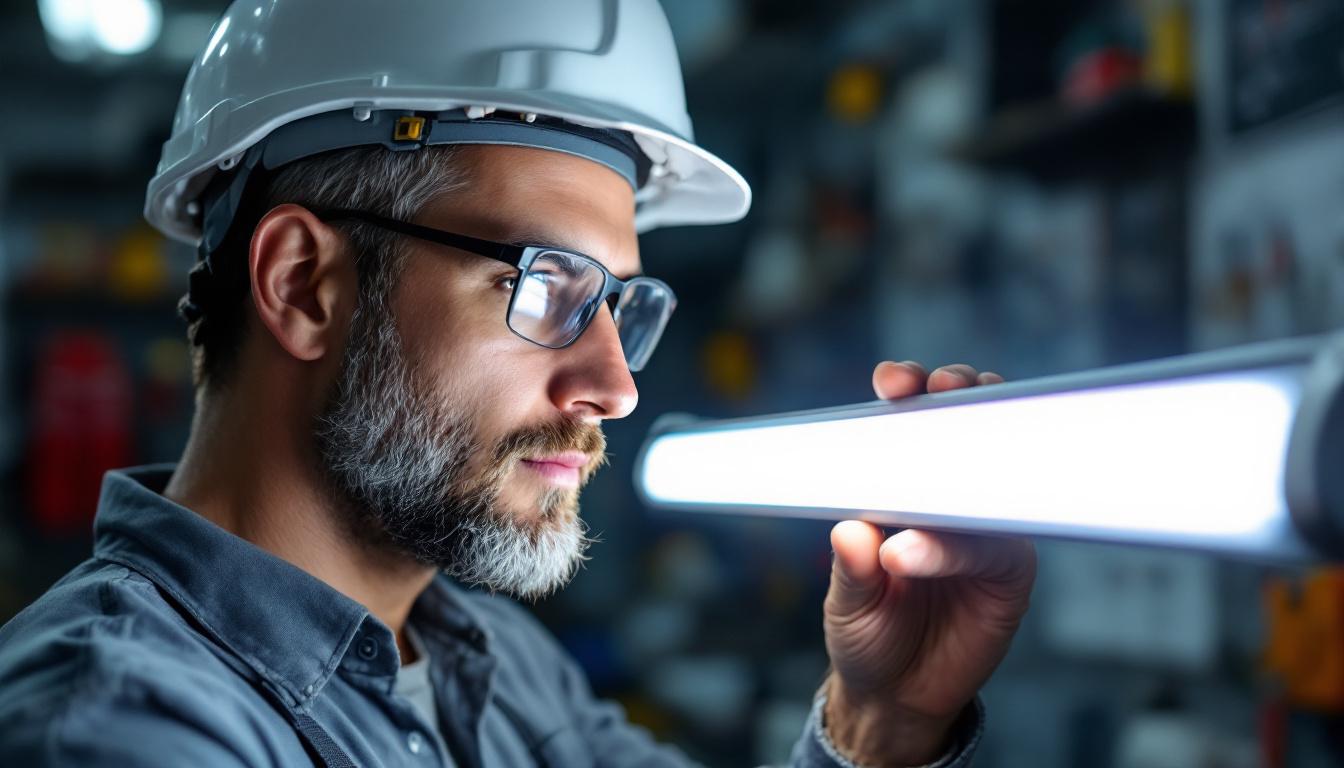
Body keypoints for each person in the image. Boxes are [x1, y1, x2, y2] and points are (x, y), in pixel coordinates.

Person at [0, 2, 1036, 766]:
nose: (615, 386)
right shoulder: (120, 730)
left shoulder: (488, 661)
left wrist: (881, 720)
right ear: (303, 285)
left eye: (624, 309)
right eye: (548, 287)